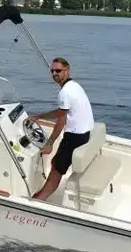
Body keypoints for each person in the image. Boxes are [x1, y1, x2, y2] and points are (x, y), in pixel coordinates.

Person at [29, 57, 94, 201]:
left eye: (58, 70)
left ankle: (39, 200)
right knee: (56, 163)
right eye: (52, 71)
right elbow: (62, 113)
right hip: (85, 134)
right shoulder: (75, 86)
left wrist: (49, 143)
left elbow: (61, 120)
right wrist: (40, 117)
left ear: (67, 70)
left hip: (74, 138)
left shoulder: (64, 93)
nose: (54, 74)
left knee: (56, 169)